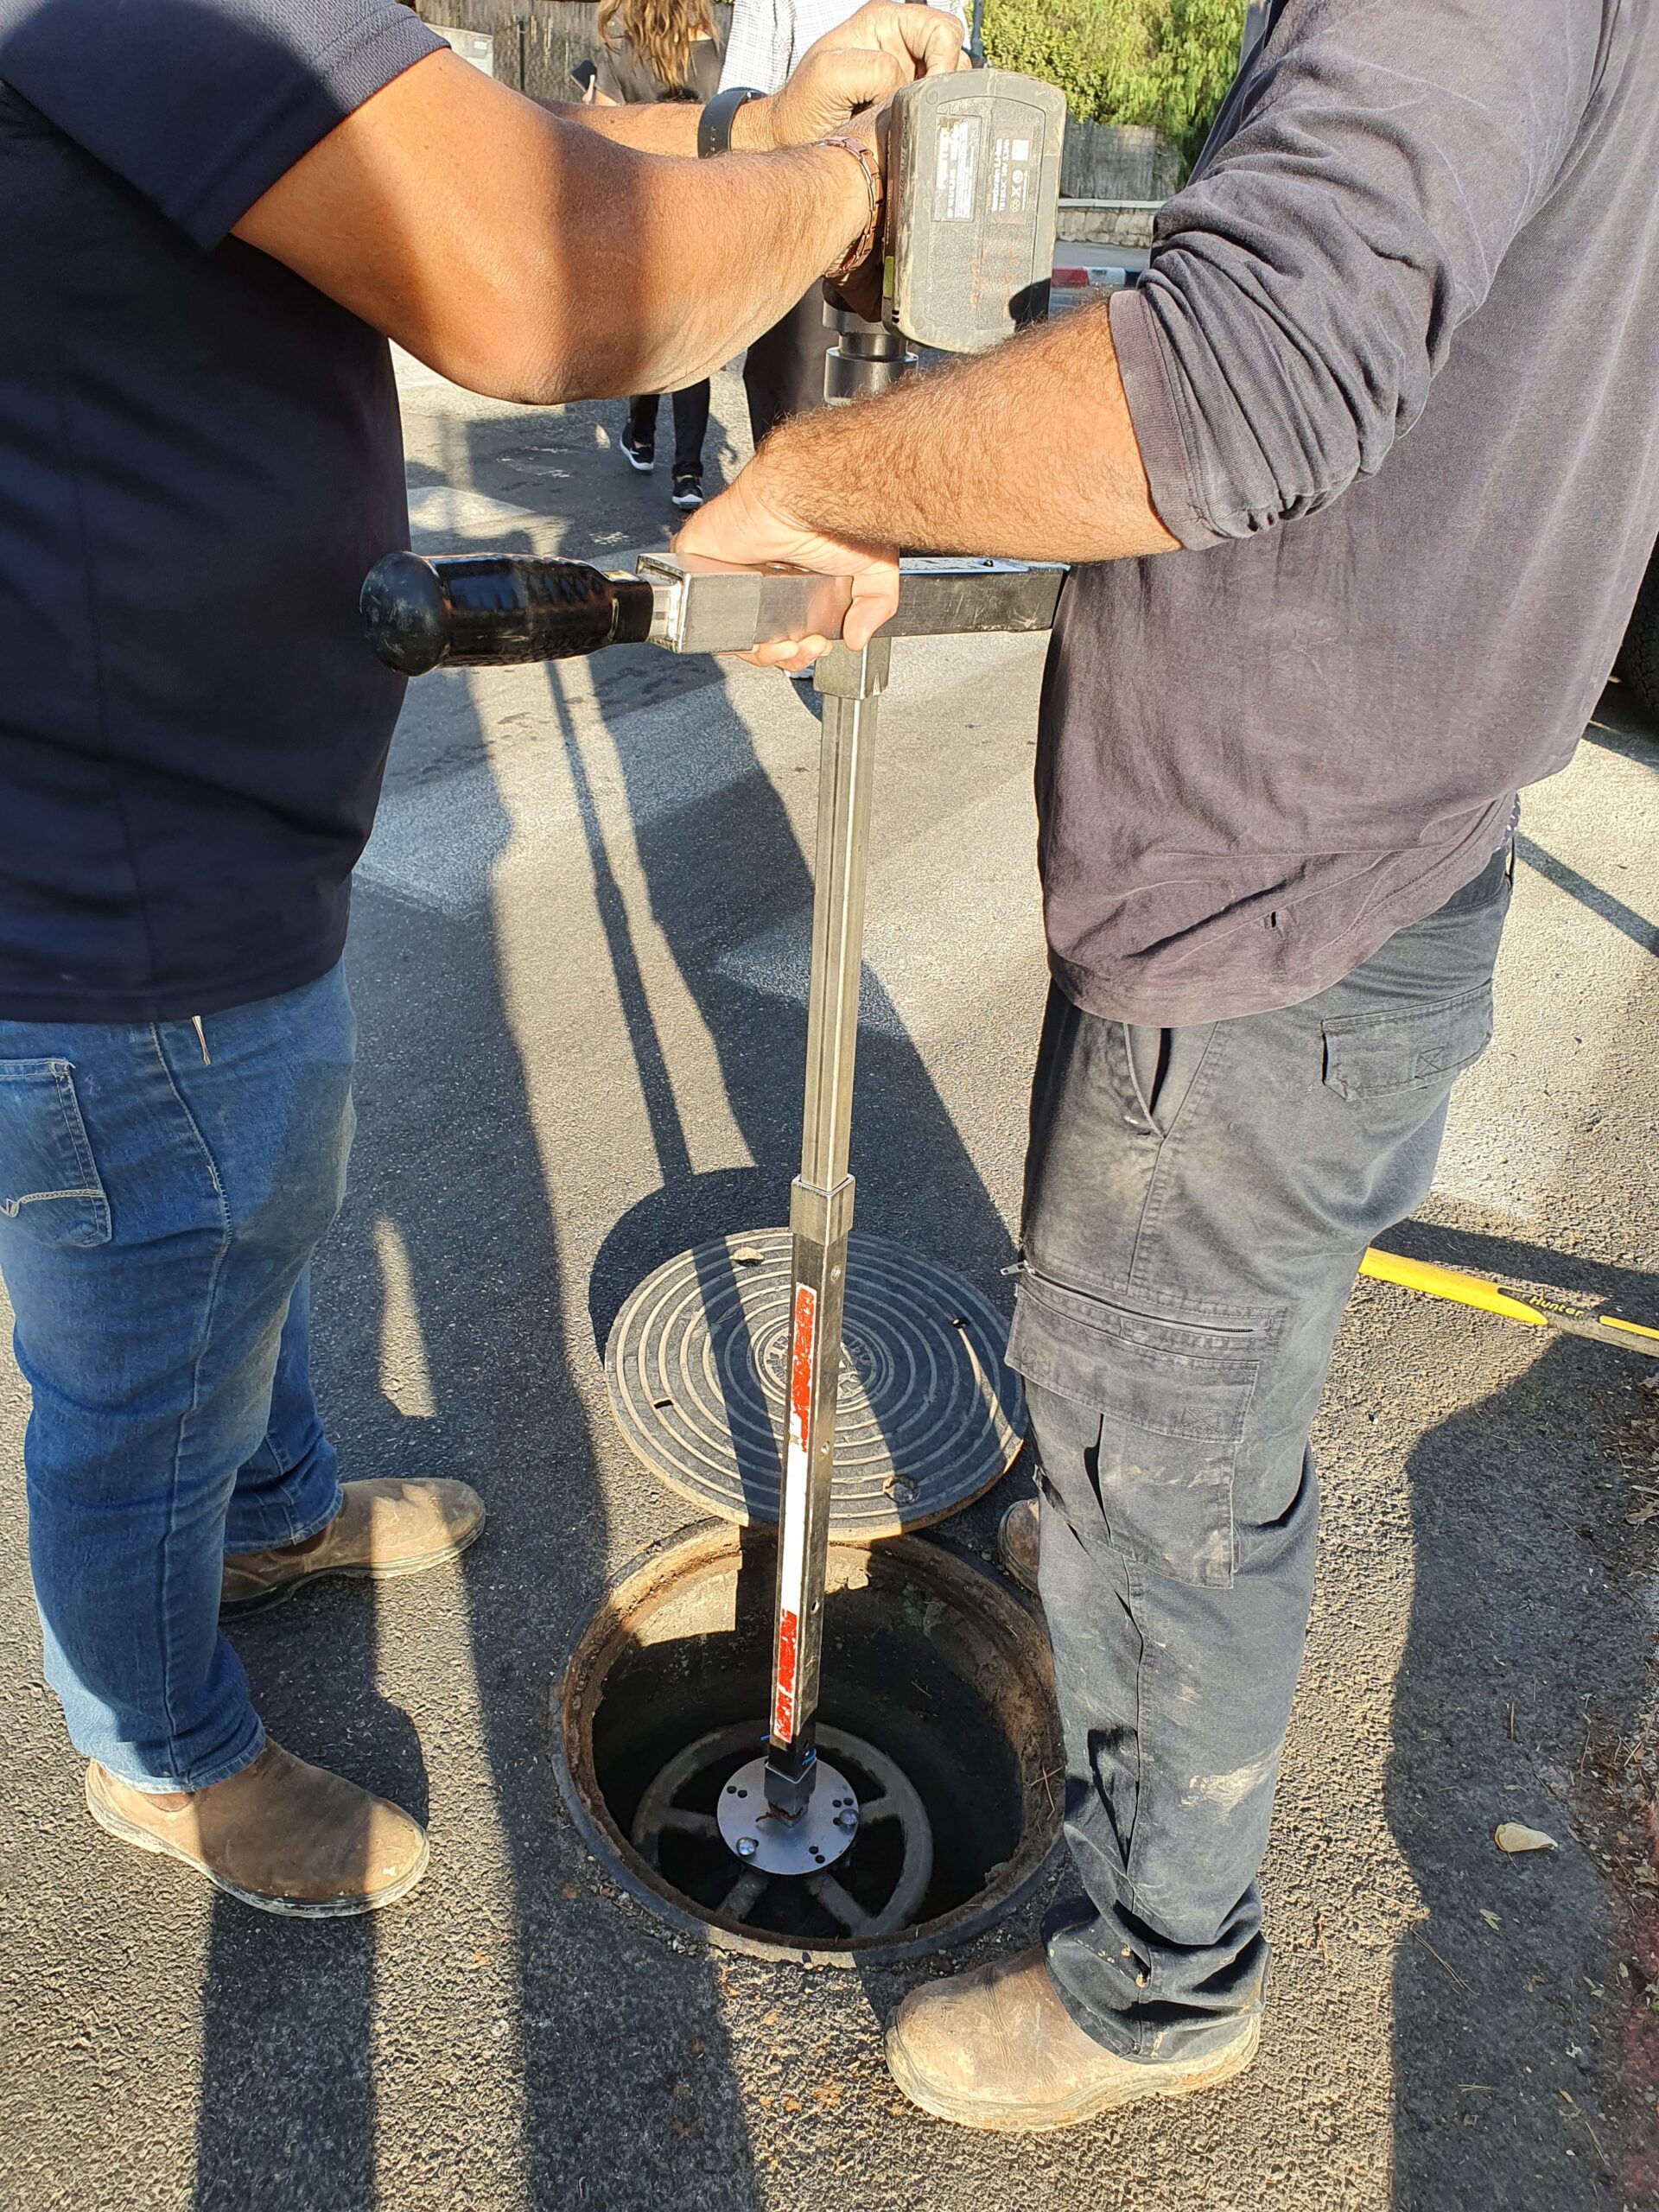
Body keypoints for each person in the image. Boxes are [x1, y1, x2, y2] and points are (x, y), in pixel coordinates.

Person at [678, 0, 1659, 2131]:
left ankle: (1160, 1975)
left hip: (1273, 900)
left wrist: (823, 475)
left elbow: (1237, 384)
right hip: (1363, 849)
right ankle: (1097, 1571)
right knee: (1162, 1415)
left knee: (1173, 1465)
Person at [0, 0, 962, 1920]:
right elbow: (545, 274)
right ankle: (158, 1748)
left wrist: (754, 129)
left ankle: (265, 1515)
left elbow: (486, 151)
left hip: (201, 841)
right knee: (159, 1321)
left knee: (249, 1227)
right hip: (122, 886)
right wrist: (841, 191)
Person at [718, 0, 963, 448]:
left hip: (906, 233)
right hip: (800, 228)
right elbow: (739, 115)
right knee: (796, 433)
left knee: (889, 441)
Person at [588, 0, 725, 508]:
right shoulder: (714, 52)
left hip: (643, 211)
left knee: (650, 328)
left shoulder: (619, 51)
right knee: (693, 338)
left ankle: (641, 437)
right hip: (702, 205)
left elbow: (602, 135)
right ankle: (687, 475)